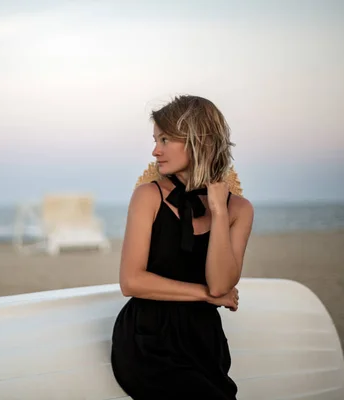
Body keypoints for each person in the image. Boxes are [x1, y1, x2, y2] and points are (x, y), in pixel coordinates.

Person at [110, 95, 254, 399]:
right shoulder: (148, 197)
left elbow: (220, 284)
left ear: (196, 140)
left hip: (204, 340)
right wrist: (203, 294)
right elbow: (131, 282)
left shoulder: (239, 210)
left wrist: (219, 210)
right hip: (147, 339)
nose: (155, 150)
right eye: (155, 139)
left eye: (165, 139)